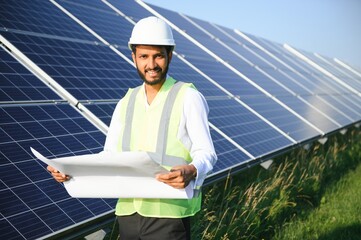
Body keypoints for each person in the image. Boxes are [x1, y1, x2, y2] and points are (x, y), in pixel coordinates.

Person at [47, 16, 217, 240]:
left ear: (170, 56)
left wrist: (192, 170)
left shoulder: (188, 96)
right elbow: (108, 157)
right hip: (127, 211)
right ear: (134, 57)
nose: (151, 64)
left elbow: (207, 152)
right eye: (144, 56)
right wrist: (72, 172)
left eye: (158, 56)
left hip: (169, 213)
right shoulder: (125, 102)